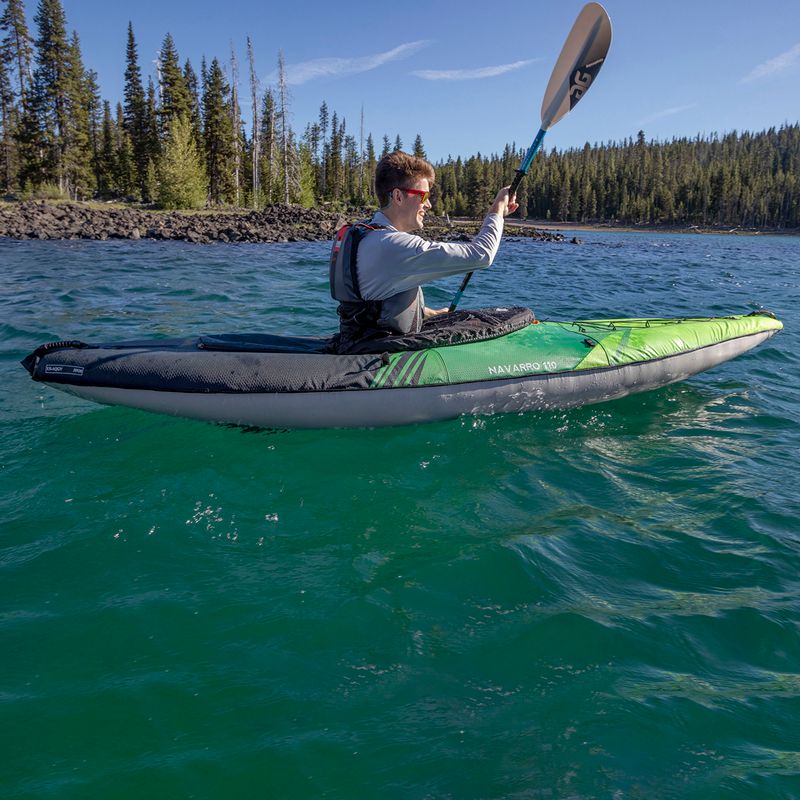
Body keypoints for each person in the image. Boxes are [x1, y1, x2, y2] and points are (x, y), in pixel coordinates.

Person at [329, 150, 518, 353]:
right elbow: (482, 254)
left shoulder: (364, 233)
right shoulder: (392, 245)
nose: (428, 204)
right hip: (375, 353)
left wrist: (428, 313)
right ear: (398, 196)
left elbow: (375, 300)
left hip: (357, 342)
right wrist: (497, 210)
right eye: (424, 196)